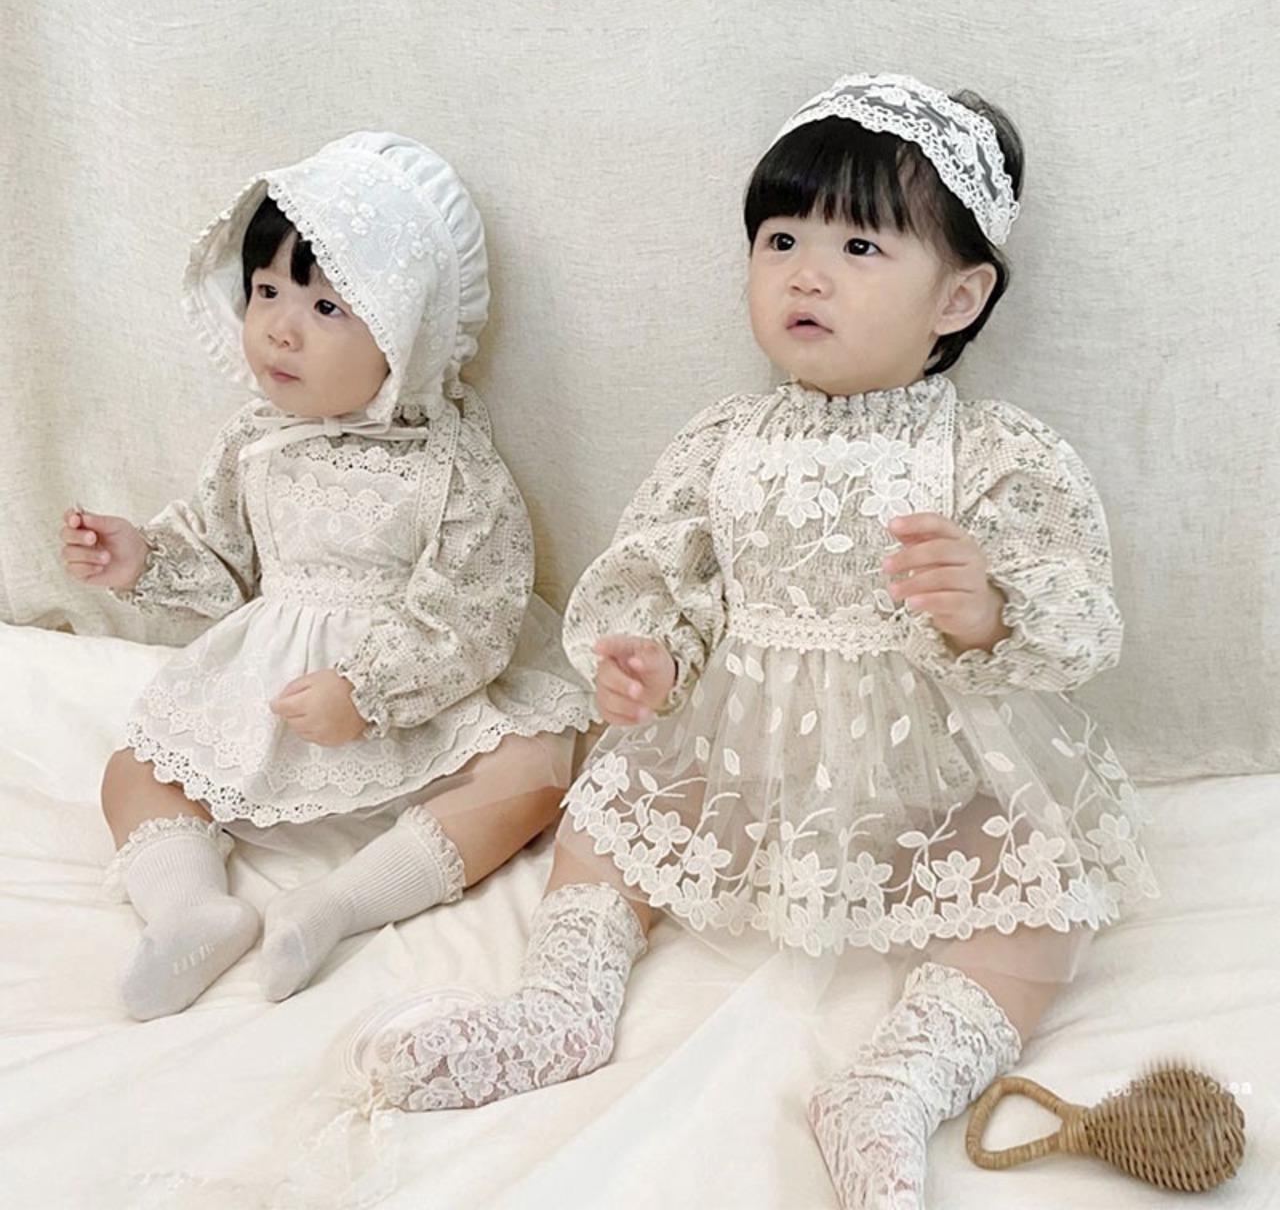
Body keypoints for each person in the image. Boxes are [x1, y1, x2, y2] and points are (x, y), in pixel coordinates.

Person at [359, 76, 1157, 1208]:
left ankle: (895, 1082)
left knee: (1041, 892)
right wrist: (648, 656)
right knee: (605, 823)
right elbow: (661, 570)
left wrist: (989, 608)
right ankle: (560, 1007)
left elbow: (1078, 607)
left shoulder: (990, 452)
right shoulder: (723, 439)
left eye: (859, 246)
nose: (805, 273)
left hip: (928, 773)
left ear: (958, 295)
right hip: (736, 753)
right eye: (780, 239)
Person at [59, 132, 591, 1021]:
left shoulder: (452, 466)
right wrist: (141, 558)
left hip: (412, 695)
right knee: (132, 769)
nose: (279, 326)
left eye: (326, 306)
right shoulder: (254, 441)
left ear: (406, 333)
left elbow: (476, 612)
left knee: (535, 774)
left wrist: (368, 691)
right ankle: (189, 907)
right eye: (266, 291)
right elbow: (222, 557)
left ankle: (340, 903)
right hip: (276, 691)